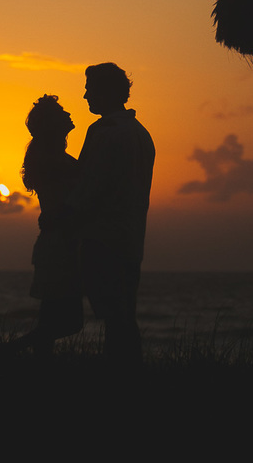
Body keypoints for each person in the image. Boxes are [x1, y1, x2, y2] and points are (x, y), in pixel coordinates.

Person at [68, 62, 155, 366]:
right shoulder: (141, 134)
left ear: (106, 92)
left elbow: (89, 185)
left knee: (113, 315)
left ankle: (121, 373)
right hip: (131, 239)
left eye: (90, 90)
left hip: (102, 238)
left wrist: (66, 217)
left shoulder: (104, 132)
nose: (85, 96)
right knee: (122, 314)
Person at [9, 94, 83, 354]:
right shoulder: (52, 161)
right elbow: (67, 202)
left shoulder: (55, 157)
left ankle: (36, 371)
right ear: (53, 124)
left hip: (60, 244)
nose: (68, 114)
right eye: (62, 112)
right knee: (71, 322)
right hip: (59, 247)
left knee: (51, 322)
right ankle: (10, 350)